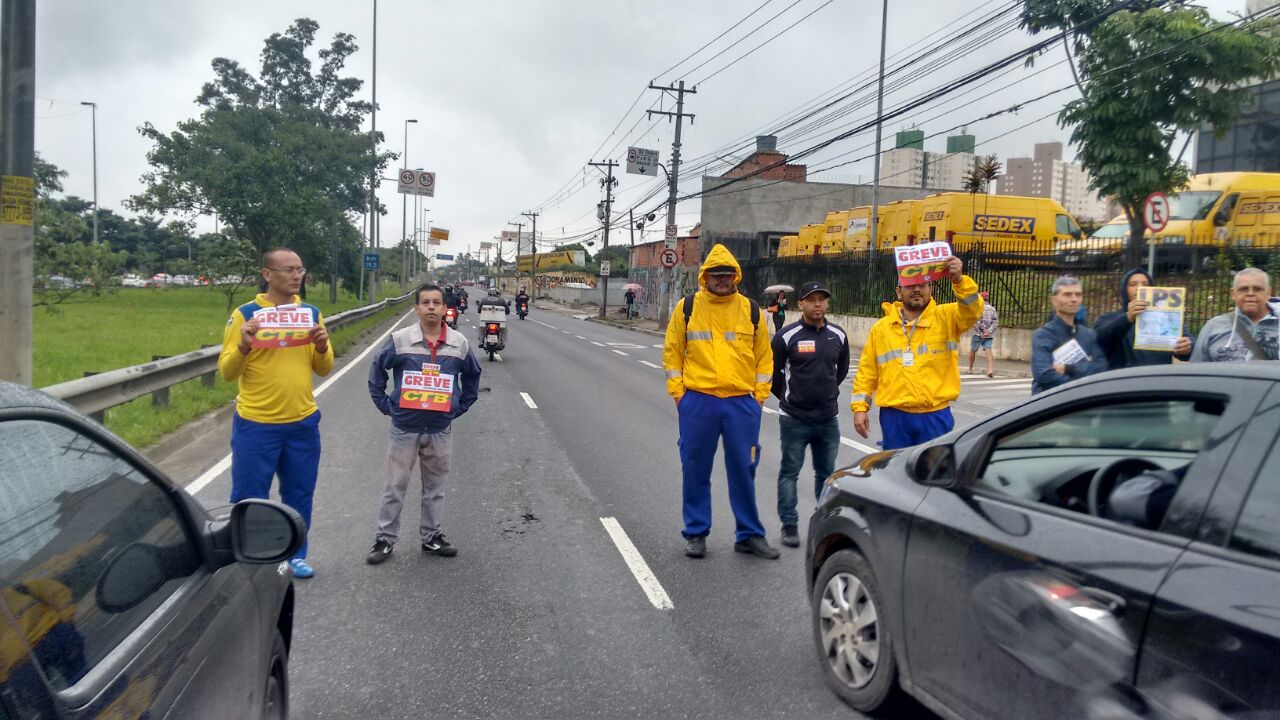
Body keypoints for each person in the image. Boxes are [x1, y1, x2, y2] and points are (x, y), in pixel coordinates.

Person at [218, 247, 333, 579]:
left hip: (302, 423)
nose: (297, 276)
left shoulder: (311, 313)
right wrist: (243, 345)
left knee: (299, 493)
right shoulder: (246, 315)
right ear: (267, 274)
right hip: (257, 424)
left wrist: (323, 346)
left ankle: (296, 554)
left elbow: (323, 368)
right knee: (248, 495)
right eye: (288, 270)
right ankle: (248, 557)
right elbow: (227, 372)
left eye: (300, 269)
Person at [663, 243, 778, 560]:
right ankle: (696, 533)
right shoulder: (687, 308)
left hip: (742, 403)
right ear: (705, 277)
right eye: (716, 274)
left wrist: (758, 399)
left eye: (727, 274)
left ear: (736, 277)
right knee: (695, 467)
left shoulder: (751, 310)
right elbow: (672, 353)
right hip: (698, 401)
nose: (722, 279)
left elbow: (764, 360)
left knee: (744, 469)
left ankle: (749, 534)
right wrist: (679, 395)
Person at [366, 284, 482, 564]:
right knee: (396, 485)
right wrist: (385, 405)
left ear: (445, 308)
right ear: (416, 308)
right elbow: (377, 369)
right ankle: (385, 539)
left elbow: (472, 377)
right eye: (425, 303)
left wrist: (457, 407)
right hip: (405, 428)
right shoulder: (400, 340)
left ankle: (431, 537)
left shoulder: (459, 343)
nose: (431, 307)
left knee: (434, 487)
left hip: (440, 428)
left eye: (436, 303)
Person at [851, 256, 982, 451]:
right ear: (898, 291)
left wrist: (959, 281)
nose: (917, 289)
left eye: (922, 284)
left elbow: (972, 310)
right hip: (894, 416)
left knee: (934, 474)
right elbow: (867, 372)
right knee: (896, 474)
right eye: (910, 285)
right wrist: (860, 408)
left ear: (931, 288)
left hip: (934, 415)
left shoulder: (947, 317)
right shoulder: (881, 329)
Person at [771, 281, 849, 548]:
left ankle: (824, 526)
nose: (817, 304)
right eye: (811, 299)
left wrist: (825, 394)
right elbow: (774, 375)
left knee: (826, 475)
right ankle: (789, 525)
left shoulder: (837, 335)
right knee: (789, 472)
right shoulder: (786, 336)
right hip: (794, 419)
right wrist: (790, 398)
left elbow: (840, 371)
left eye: (822, 299)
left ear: (827, 304)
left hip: (828, 419)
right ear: (800, 304)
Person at [1094, 268, 1194, 369]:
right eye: (1133, 284)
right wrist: (1127, 318)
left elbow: (1191, 347)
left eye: (1145, 284)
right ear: (1124, 289)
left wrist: (1186, 348)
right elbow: (1099, 338)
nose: (1139, 288)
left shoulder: (1167, 317)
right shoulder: (1109, 318)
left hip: (1158, 379)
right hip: (1123, 380)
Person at [1031, 276, 1109, 395]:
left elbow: (1101, 368)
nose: (1074, 299)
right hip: (1048, 406)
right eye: (1067, 295)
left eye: (1078, 295)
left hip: (1081, 406)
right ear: (1054, 300)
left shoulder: (1088, 334)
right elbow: (1045, 376)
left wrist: (1068, 368)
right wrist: (1083, 379)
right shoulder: (1043, 335)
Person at [1191, 267, 1279, 362]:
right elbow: (1196, 369)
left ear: (1268, 293)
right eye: (1243, 289)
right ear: (1233, 294)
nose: (1250, 293)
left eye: (1257, 289)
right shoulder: (1213, 327)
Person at [967, 291, 999, 377]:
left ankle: (970, 368)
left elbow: (975, 321)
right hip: (989, 334)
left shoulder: (977, 308)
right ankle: (990, 369)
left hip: (978, 333)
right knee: (988, 350)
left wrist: (982, 330)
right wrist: (989, 330)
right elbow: (995, 322)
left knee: (973, 350)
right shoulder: (992, 309)